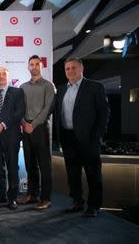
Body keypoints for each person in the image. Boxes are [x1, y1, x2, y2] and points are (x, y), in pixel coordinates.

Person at [55, 57, 110, 217]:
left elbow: (104, 113)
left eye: (73, 68)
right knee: (73, 173)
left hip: (89, 139)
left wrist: (97, 136)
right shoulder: (62, 89)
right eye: (67, 69)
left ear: (81, 69)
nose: (70, 71)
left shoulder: (95, 87)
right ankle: (77, 201)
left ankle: (94, 206)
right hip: (67, 137)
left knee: (93, 174)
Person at [19, 55, 56, 210]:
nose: (33, 67)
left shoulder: (48, 85)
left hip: (40, 129)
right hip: (25, 128)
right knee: (30, 164)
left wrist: (32, 124)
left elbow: (48, 108)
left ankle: (45, 198)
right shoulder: (22, 87)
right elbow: (19, 109)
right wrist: (24, 123)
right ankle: (32, 194)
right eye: (31, 64)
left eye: (36, 64)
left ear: (41, 66)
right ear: (28, 67)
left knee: (44, 166)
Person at [0, 67, 25, 210]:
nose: (1, 76)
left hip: (11, 135)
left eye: (4, 74)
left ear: (8, 77)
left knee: (12, 167)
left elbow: (19, 112)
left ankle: (12, 197)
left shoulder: (18, 92)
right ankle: (0, 195)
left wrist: (3, 125)